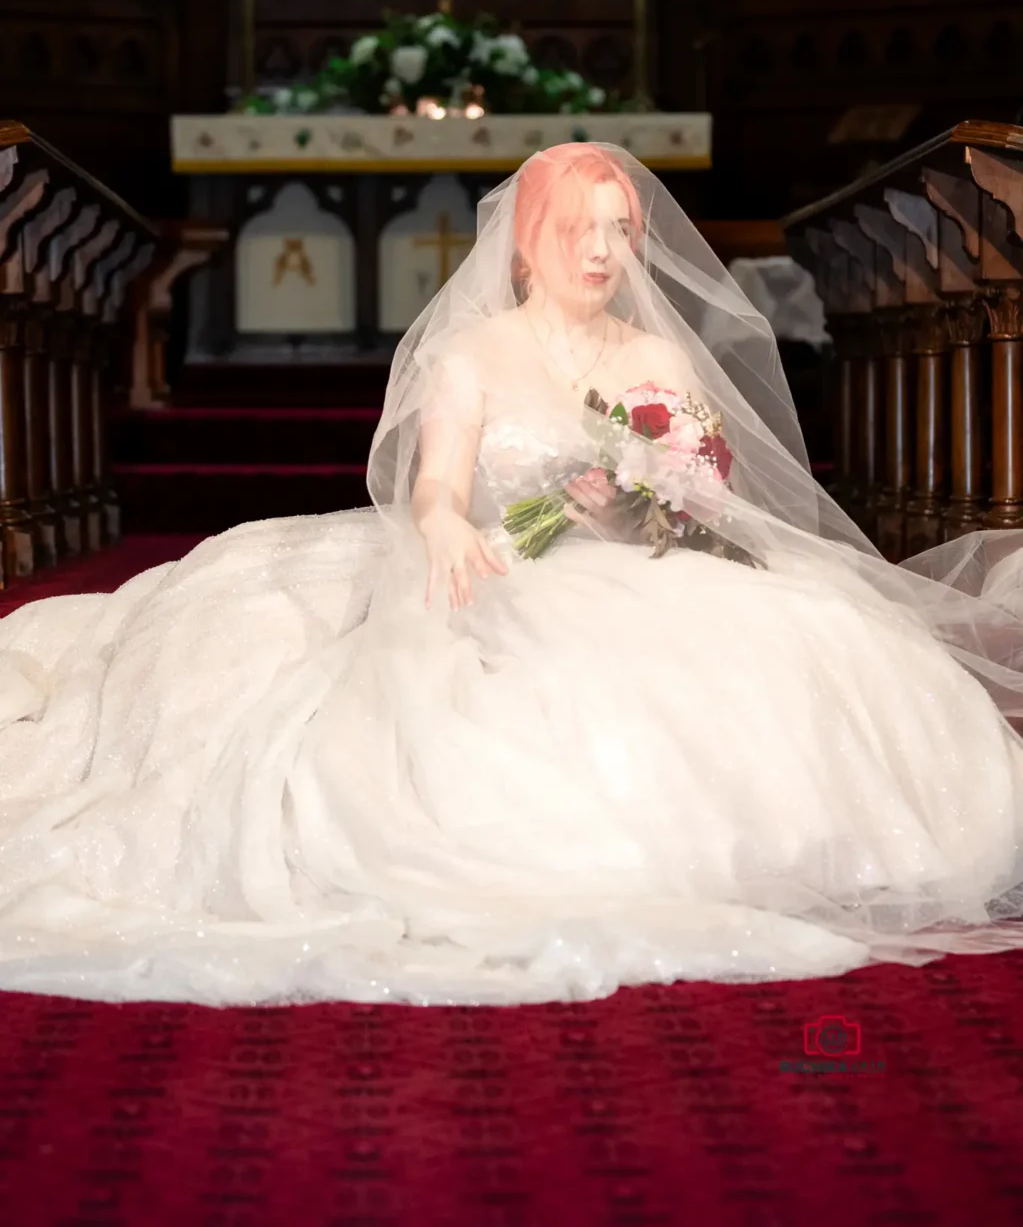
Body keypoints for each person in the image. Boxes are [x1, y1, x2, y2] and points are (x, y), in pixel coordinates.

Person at [2, 141, 1023, 1008]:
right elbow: (438, 487)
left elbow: (701, 496)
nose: (599, 250)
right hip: (502, 562)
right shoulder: (475, 356)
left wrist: (653, 491)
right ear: (526, 240)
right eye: (578, 227)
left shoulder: (657, 364)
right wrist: (446, 526)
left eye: (618, 230)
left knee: (805, 649)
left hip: (640, 568)